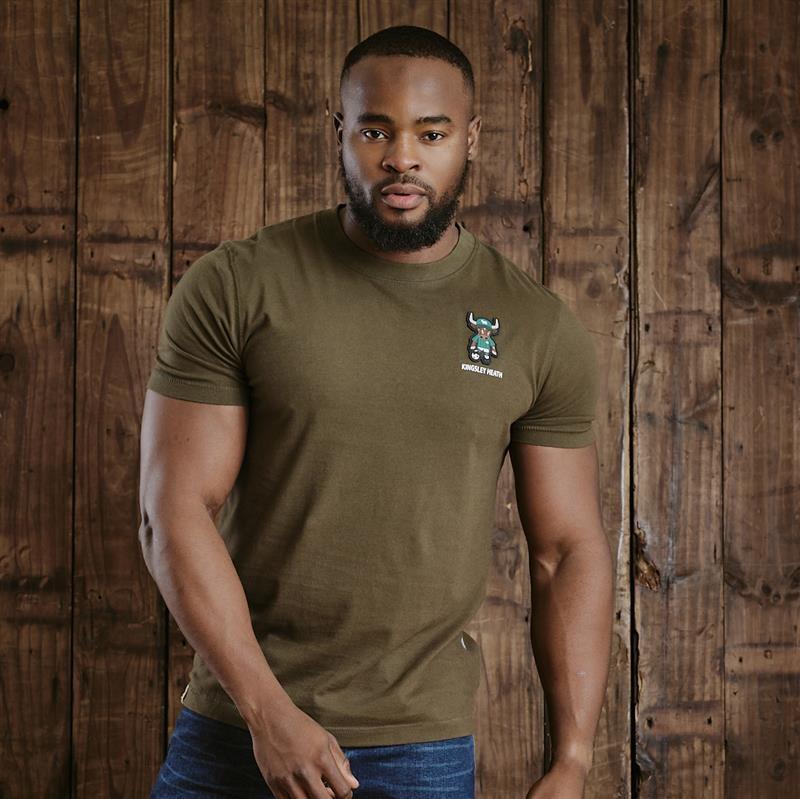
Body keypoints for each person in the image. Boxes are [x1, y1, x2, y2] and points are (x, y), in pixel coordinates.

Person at [139, 24, 613, 799]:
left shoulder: (534, 326)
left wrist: (574, 758)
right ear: (341, 132)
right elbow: (173, 511)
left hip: (420, 748)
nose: (402, 157)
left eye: (432, 133)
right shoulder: (237, 285)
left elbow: (566, 550)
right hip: (237, 728)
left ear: (470, 139)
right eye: (375, 130)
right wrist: (267, 712)